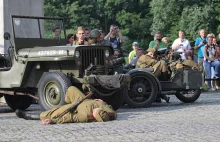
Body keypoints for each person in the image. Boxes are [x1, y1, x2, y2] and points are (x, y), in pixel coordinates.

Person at [15, 86, 117, 124]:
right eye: (98, 111)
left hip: (76, 107)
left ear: (95, 117)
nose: (96, 111)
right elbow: (110, 111)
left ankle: (30, 116)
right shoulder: (109, 111)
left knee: (55, 113)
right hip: (84, 100)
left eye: (96, 114)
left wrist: (53, 121)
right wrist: (100, 102)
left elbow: (70, 118)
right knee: (71, 89)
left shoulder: (84, 116)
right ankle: (65, 103)